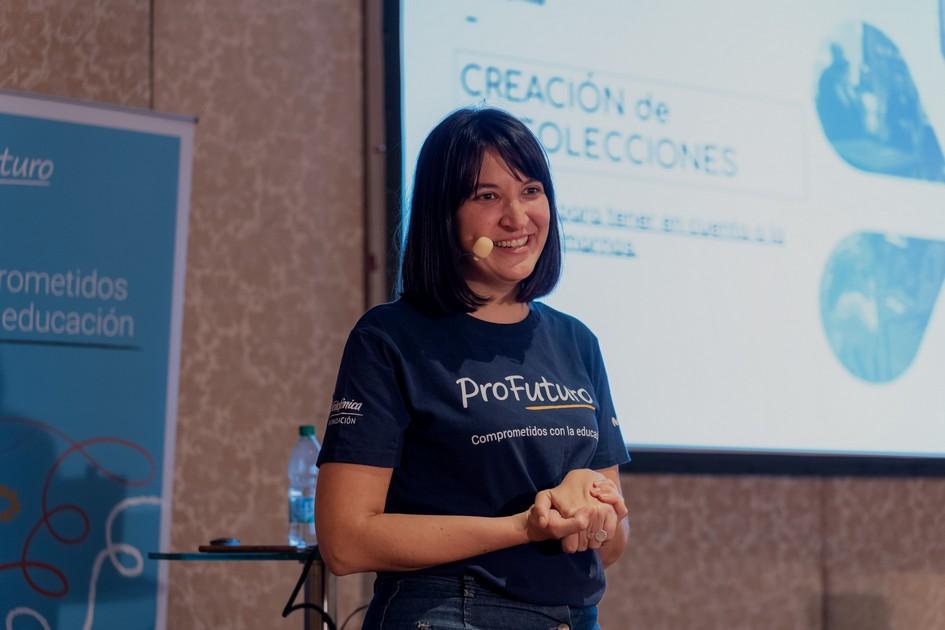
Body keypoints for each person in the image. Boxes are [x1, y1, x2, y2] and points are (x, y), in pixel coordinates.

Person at [315, 107, 631, 630]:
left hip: (574, 616)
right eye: (487, 197)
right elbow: (345, 541)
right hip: (447, 613)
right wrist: (522, 527)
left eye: (531, 190)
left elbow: (612, 545)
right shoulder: (390, 337)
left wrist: (592, 506)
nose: (517, 217)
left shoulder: (577, 342)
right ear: (445, 214)